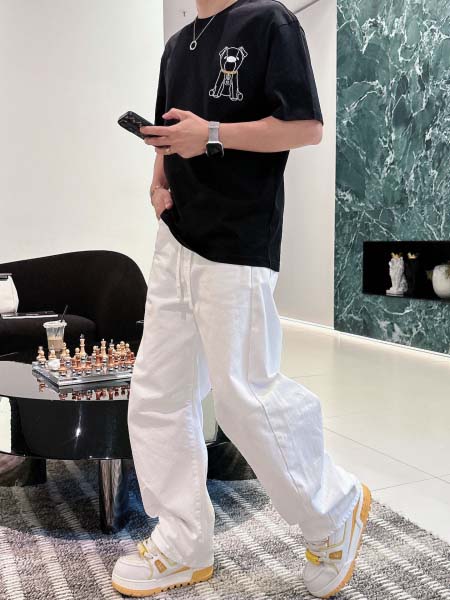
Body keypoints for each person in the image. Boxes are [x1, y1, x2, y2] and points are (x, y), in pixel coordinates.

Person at [112, 0, 372, 597]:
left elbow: (305, 126)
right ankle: (183, 541)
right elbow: (168, 134)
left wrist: (210, 134)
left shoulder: (270, 21)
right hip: (176, 238)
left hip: (238, 240)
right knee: (156, 395)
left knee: (244, 395)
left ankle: (334, 508)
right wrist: (157, 178)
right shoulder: (176, 47)